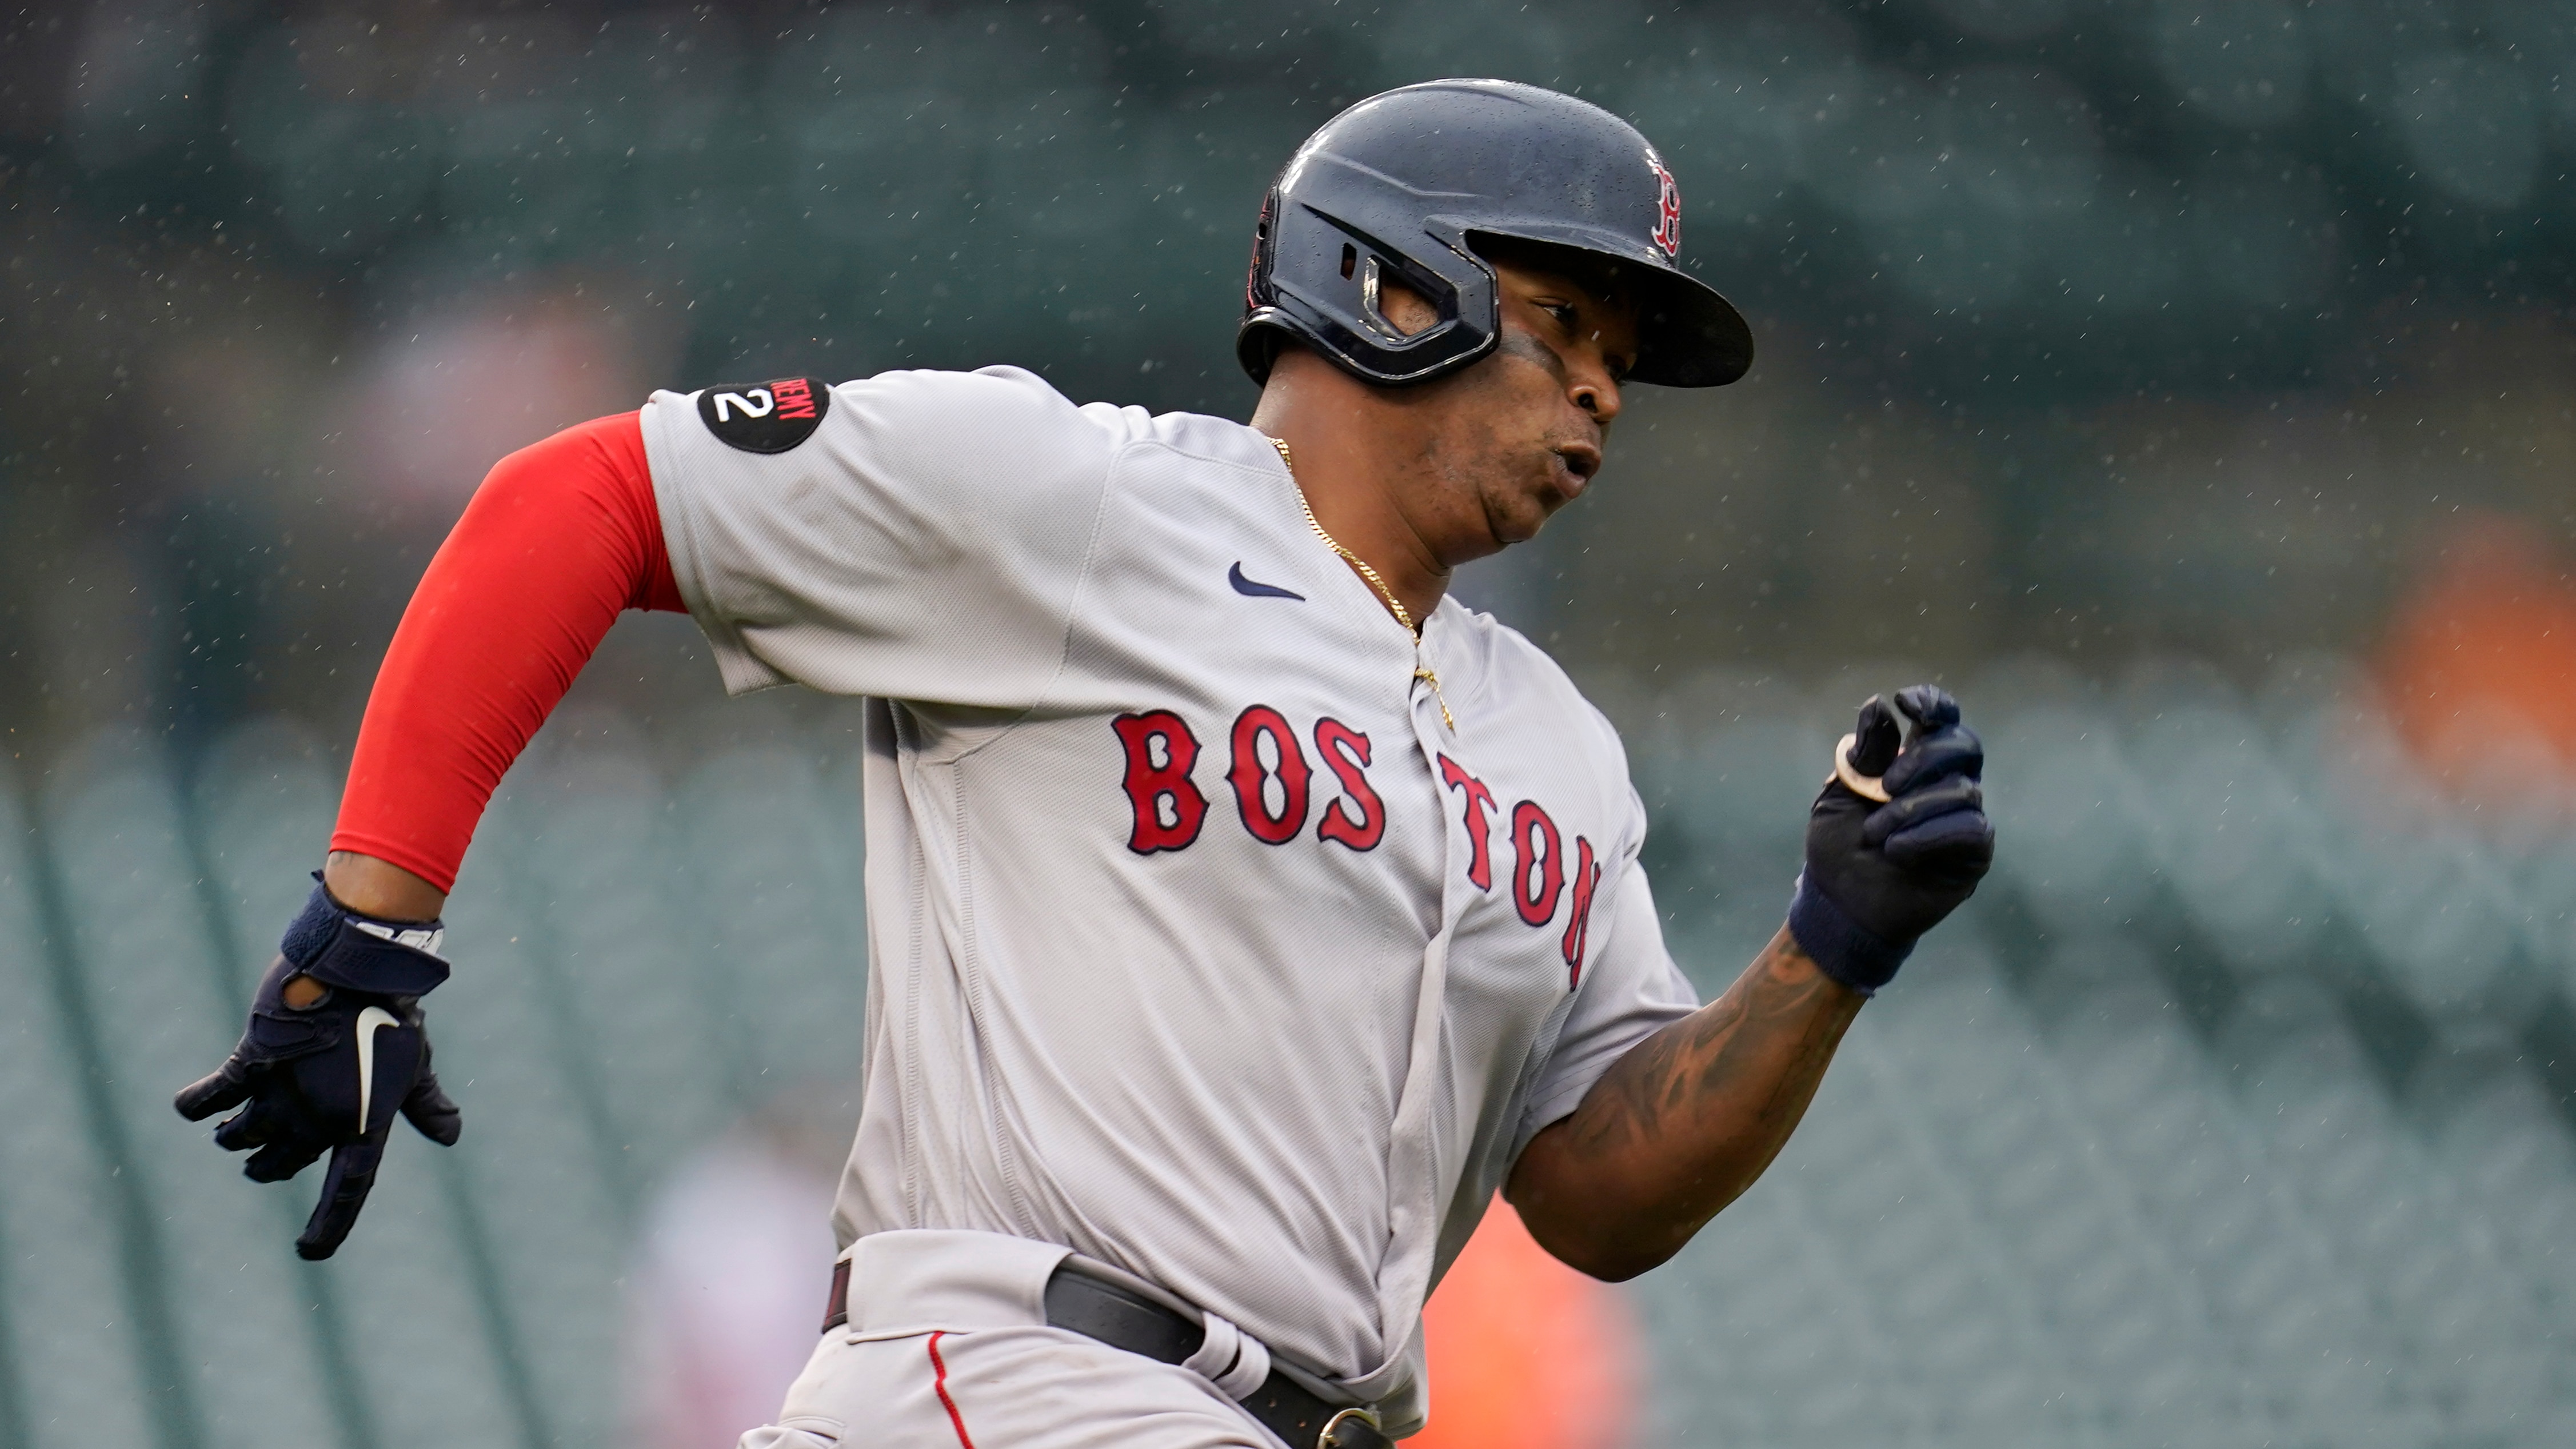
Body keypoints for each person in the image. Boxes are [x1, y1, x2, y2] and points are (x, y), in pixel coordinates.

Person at [175, 79, 1994, 1449]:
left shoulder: (1559, 747)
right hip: (1026, 1376)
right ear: (1386, 286)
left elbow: (1595, 1197)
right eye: (1564, 326)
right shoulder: (1080, 502)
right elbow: (578, 498)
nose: (1601, 390)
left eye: (1622, 360)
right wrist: (373, 922)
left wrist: (1826, 952)